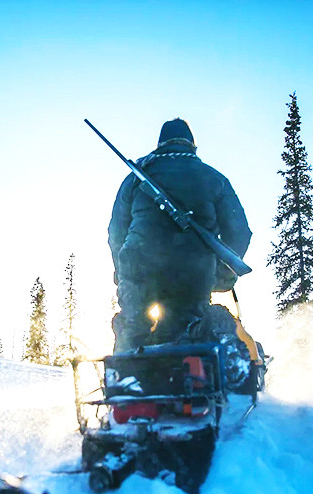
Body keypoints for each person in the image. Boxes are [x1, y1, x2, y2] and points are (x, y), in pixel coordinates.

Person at [108, 118, 252, 353]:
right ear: (192, 146)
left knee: (132, 330)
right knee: (188, 335)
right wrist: (222, 274)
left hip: (138, 266)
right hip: (192, 273)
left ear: (160, 144)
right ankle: (191, 373)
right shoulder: (214, 178)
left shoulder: (135, 177)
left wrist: (122, 271)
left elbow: (116, 231)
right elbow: (239, 232)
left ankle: (125, 373)